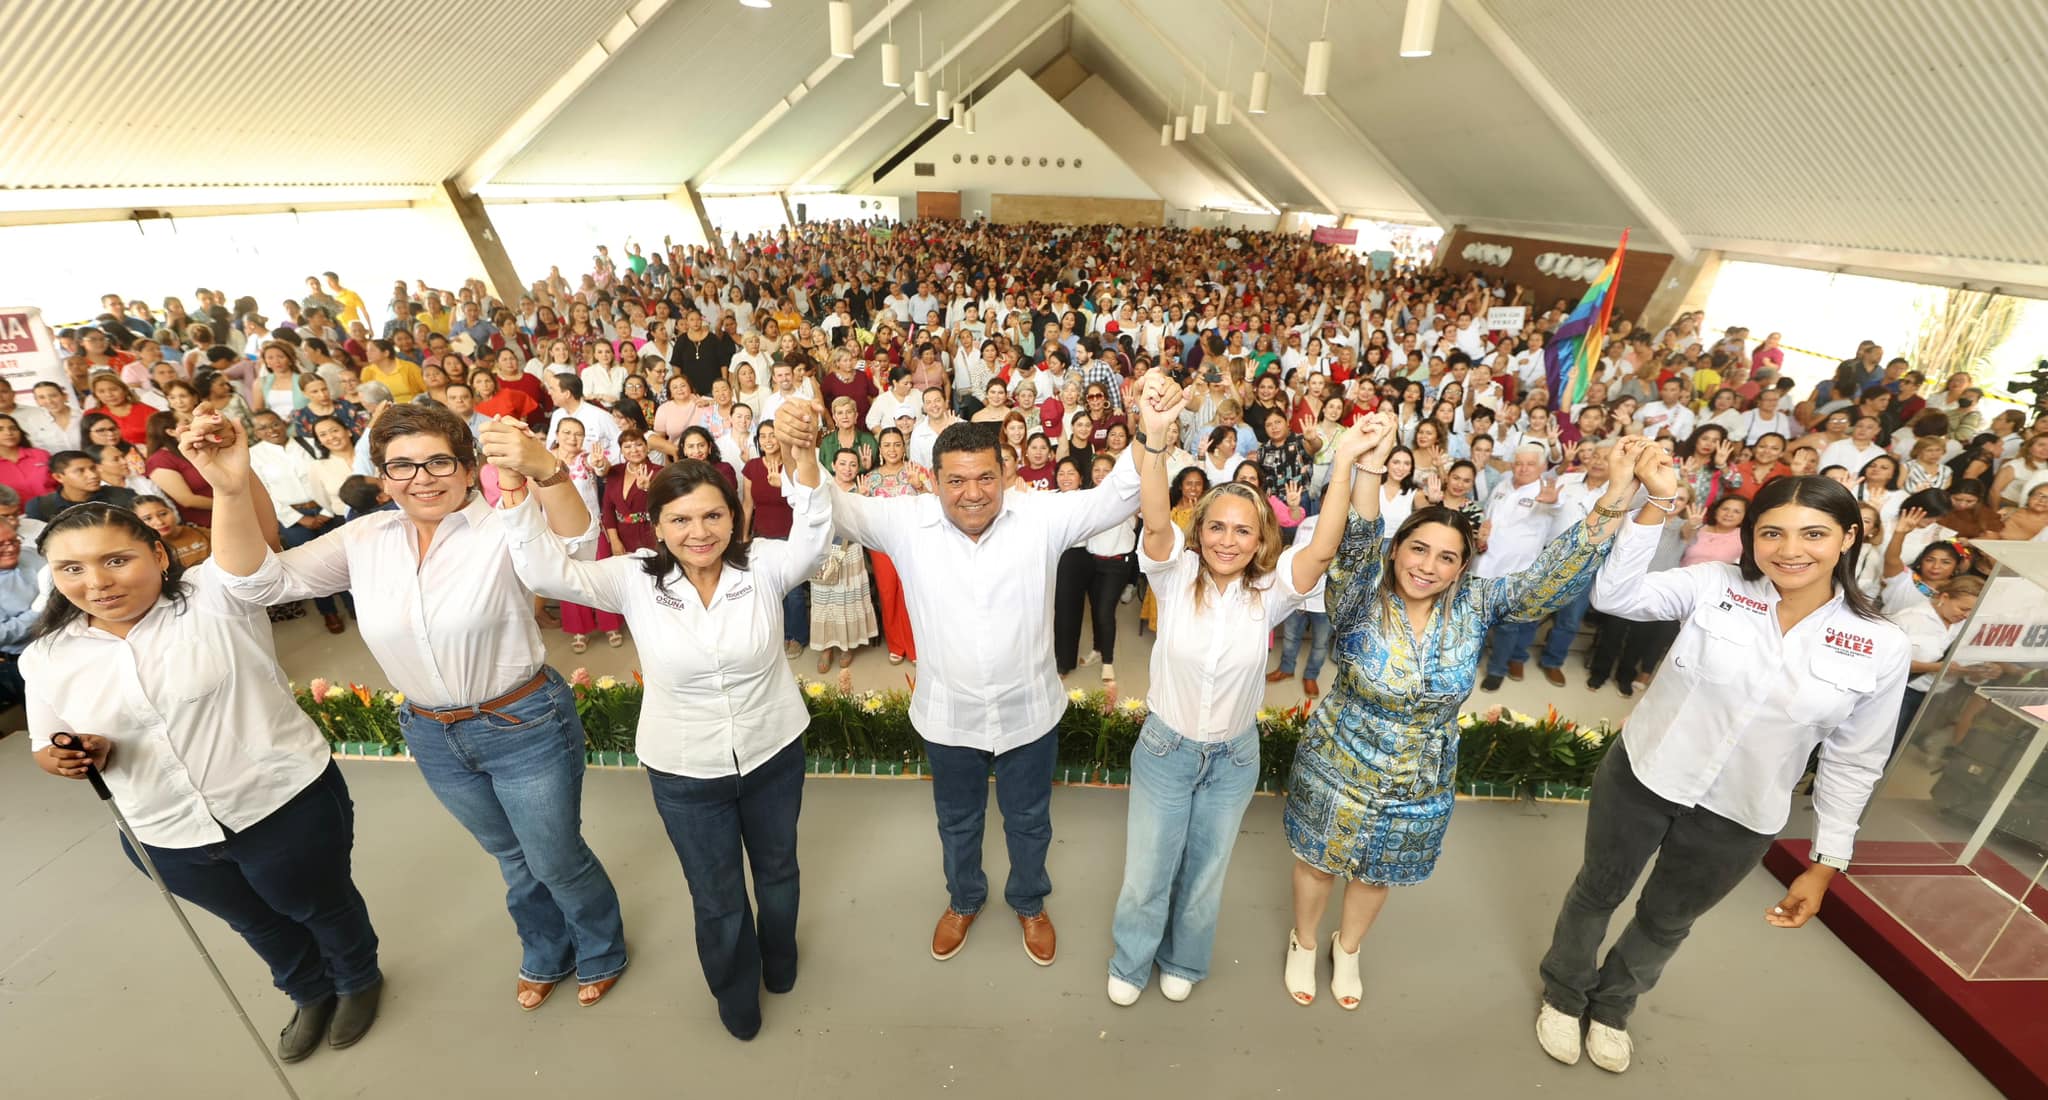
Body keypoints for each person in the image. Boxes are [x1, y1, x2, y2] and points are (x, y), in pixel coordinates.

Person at [190, 401, 630, 1011]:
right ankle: (546, 946)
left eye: (437, 461)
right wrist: (231, 488)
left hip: (522, 722)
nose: (421, 478)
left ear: (469, 464)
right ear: (382, 475)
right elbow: (256, 583)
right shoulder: (367, 537)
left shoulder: (503, 523)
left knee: (555, 856)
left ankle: (601, 945)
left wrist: (548, 472)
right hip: (431, 733)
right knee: (510, 855)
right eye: (401, 466)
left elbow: (577, 547)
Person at [1536, 466, 1909, 1075]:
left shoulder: (1879, 644)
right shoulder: (1715, 584)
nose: (1790, 551)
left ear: (1847, 538)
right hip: (1645, 777)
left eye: (1813, 534)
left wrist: (1825, 864)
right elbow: (1616, 597)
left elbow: (1855, 760)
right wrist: (1655, 500)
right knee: (1597, 892)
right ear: (1752, 539)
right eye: (1772, 534)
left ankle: (1611, 1007)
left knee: (1667, 920)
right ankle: (1563, 991)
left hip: (1740, 813)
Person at [493, 406, 826, 1040]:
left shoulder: (763, 568)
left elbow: (813, 534)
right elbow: (544, 571)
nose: (699, 532)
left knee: (779, 869)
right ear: (658, 525)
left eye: (712, 515)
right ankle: (736, 995)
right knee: (717, 894)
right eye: (680, 519)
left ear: (734, 516)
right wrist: (526, 481)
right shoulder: (634, 579)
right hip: (684, 770)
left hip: (773, 751)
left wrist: (805, 456)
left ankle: (780, 959)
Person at [1284, 437, 1652, 1010]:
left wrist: (1618, 492)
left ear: (1462, 566)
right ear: (1396, 548)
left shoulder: (1478, 604)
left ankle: (1348, 947)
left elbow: (1548, 580)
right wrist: (1368, 468)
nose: (1427, 566)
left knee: (1379, 869)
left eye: (1446, 557)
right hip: (1337, 758)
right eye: (1418, 549)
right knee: (1319, 861)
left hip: (1421, 774)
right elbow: (1355, 544)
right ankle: (1304, 940)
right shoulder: (1358, 596)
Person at [805, 369, 1149, 967]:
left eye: (986, 477)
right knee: (958, 823)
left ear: (1006, 475)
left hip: (1029, 713)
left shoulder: (1040, 517)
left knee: (1030, 822)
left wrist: (1150, 432)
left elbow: (1118, 496)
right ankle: (964, 899)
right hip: (950, 716)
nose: (972, 492)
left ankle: (1029, 901)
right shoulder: (904, 520)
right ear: (932, 481)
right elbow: (832, 506)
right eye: (957, 480)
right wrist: (799, 450)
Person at [23, 501, 383, 1063]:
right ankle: (309, 992)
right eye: (72, 569)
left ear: (159, 554)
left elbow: (247, 549)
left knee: (320, 905)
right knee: (254, 922)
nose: (96, 582)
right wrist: (70, 758)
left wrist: (227, 479)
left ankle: (358, 978)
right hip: (164, 831)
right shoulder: (47, 656)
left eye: (116, 560)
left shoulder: (215, 598)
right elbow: (46, 745)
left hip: (279, 803)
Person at [1105, 397, 1381, 1007]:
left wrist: (1345, 467)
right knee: (1149, 871)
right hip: (1166, 748)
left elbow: (1322, 551)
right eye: (1216, 527)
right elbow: (1153, 521)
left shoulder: (1270, 591)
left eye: (1243, 530)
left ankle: (1184, 959)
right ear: (1199, 531)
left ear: (1261, 539)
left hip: (1233, 759)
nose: (1227, 541)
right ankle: (1131, 960)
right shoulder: (1172, 575)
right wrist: (1153, 442)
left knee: (1205, 873)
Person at [247, 410, 346, 633]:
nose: (271, 430)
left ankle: (353, 604)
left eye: (274, 424)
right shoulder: (253, 456)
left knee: (342, 557)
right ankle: (328, 611)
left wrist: (326, 511)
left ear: (283, 422)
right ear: (255, 432)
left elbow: (328, 475)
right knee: (310, 567)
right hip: (292, 518)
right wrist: (299, 518)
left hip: (326, 509)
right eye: (263, 427)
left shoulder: (309, 443)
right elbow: (264, 494)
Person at [859, 426, 929, 664]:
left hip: (912, 542)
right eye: (887, 445)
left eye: (897, 444)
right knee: (888, 593)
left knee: (910, 593)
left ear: (904, 446)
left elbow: (933, 501)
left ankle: (914, 645)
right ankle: (897, 645)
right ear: (881, 448)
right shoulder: (871, 477)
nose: (892, 449)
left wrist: (918, 485)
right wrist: (862, 497)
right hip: (882, 544)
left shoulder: (916, 471)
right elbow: (863, 515)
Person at [28, 450, 137, 521]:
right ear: (59, 477)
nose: (93, 475)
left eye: (93, 468)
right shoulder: (41, 507)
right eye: (80, 471)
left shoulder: (124, 496)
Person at [133, 494, 211, 568]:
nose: (160, 522)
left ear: (172, 511)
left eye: (163, 514)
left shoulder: (203, 533)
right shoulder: (147, 550)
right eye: (148, 518)